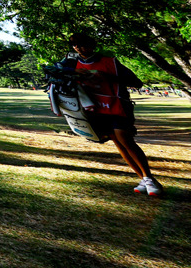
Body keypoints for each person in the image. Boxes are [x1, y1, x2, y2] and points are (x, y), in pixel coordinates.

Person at [61, 30, 161, 197]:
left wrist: (106, 77)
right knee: (118, 142)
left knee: (125, 139)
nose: (78, 47)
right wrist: (73, 74)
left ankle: (149, 178)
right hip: (95, 110)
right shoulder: (71, 63)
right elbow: (55, 75)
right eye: (74, 45)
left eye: (82, 44)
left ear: (91, 44)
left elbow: (137, 82)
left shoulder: (110, 61)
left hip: (117, 106)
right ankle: (144, 179)